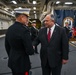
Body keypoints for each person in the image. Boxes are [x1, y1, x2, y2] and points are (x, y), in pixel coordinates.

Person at [5, 9, 34, 75]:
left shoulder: (10, 29)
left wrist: (12, 56)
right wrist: (32, 48)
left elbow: (7, 46)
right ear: (22, 17)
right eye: (27, 18)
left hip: (12, 61)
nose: (27, 20)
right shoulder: (24, 30)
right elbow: (30, 51)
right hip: (22, 63)